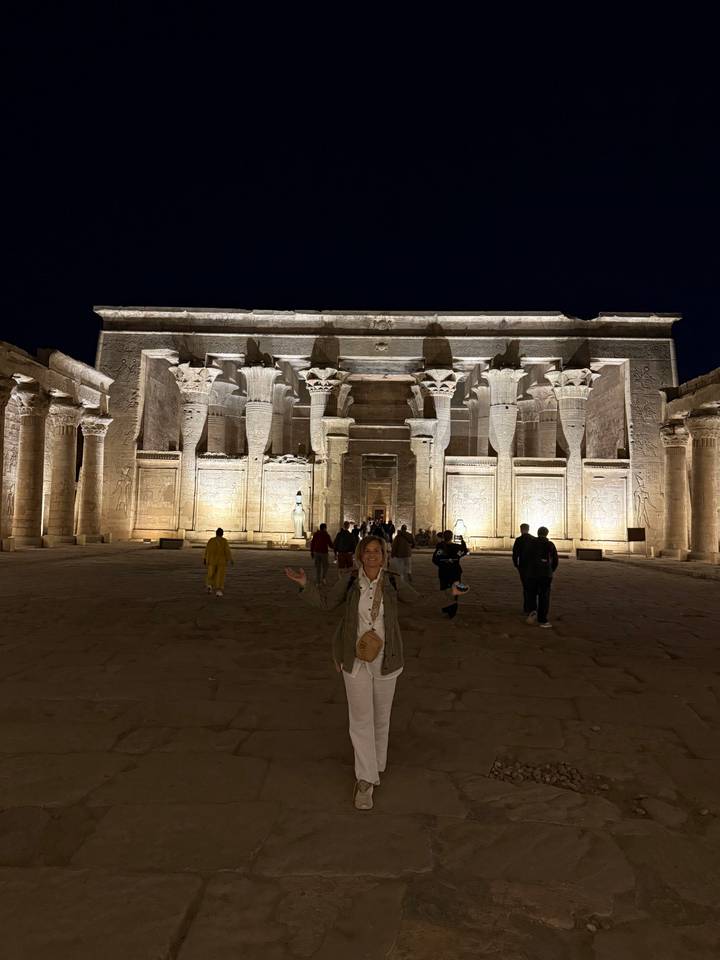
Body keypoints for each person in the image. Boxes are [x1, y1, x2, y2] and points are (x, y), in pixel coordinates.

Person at [285, 536, 464, 810]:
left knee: (381, 717)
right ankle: (366, 779)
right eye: (367, 551)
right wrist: (304, 585)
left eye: (376, 551)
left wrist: (449, 593)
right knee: (360, 719)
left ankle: (377, 763)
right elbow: (326, 604)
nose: (371, 555)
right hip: (354, 658)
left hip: (386, 658)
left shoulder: (392, 581)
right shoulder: (349, 580)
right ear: (360, 555)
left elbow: (418, 602)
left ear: (384, 555)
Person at [525, 526, 559, 628]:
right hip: (545, 574)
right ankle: (543, 619)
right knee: (544, 596)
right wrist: (550, 570)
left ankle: (532, 611)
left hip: (532, 573)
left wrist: (528, 570)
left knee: (531, 594)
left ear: (537, 533)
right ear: (546, 534)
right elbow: (555, 561)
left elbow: (525, 558)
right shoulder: (550, 545)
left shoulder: (531, 543)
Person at [432, 530, 468, 619]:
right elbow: (464, 551)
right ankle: (452, 610)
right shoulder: (457, 548)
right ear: (451, 537)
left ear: (443, 537)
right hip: (455, 572)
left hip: (444, 572)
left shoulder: (441, 548)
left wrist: (443, 564)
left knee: (445, 590)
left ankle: (446, 607)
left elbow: (435, 559)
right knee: (455, 590)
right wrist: (462, 541)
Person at [512, 523, 536, 616]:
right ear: (528, 529)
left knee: (525, 587)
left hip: (523, 566)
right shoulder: (534, 539)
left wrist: (516, 564)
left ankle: (526, 607)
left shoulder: (519, 540)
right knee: (533, 587)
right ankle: (533, 607)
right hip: (533, 567)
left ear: (521, 529)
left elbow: (515, 554)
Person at [203, 527, 234, 597]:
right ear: (222, 534)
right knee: (220, 576)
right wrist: (230, 559)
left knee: (211, 574)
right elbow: (227, 551)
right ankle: (218, 591)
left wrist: (205, 558)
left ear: (216, 533)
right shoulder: (224, 541)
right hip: (221, 561)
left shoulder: (211, 540)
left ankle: (209, 585)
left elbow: (207, 550)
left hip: (212, 560)